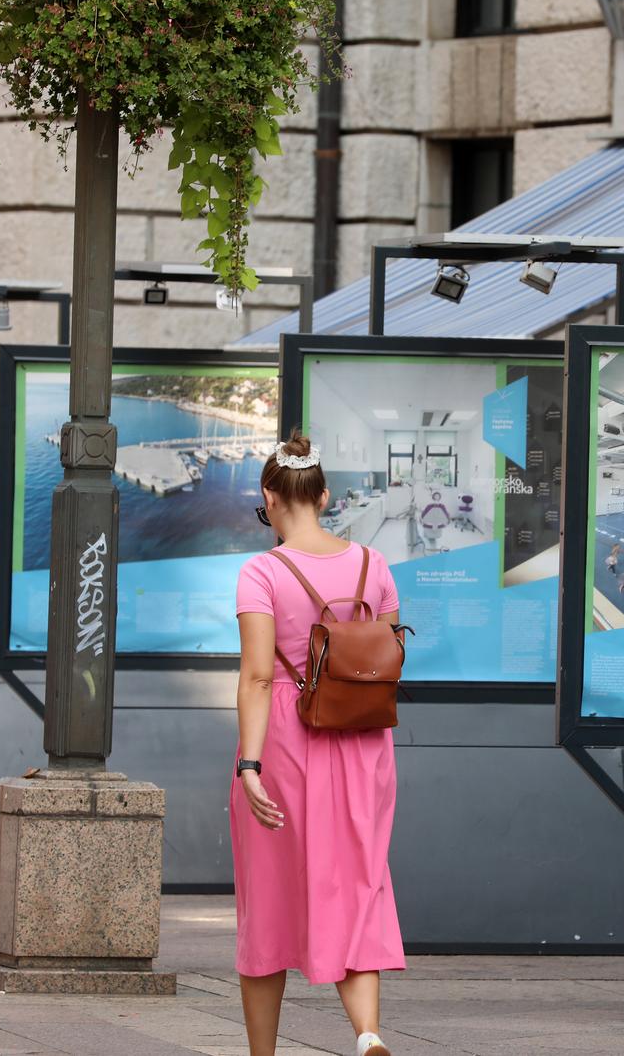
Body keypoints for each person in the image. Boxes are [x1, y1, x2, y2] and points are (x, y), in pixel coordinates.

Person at [233, 432, 402, 1056]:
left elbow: (256, 675)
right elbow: (383, 656)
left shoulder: (262, 571)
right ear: (325, 496)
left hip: (287, 736)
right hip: (362, 741)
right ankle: (367, 1033)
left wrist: (249, 763)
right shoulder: (373, 566)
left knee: (271, 896)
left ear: (270, 499)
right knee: (357, 883)